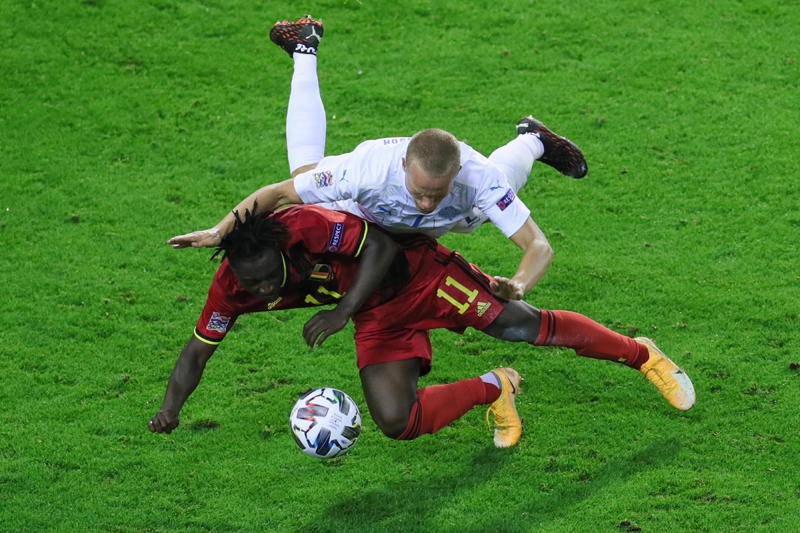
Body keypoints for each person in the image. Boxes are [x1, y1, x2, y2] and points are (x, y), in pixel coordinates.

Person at [149, 204, 696, 447]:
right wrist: (171, 410)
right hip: (376, 315)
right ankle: (495, 387)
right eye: (255, 286)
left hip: (420, 276)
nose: (265, 291)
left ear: (285, 250)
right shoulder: (233, 288)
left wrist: (340, 311)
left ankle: (641, 354)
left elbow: (381, 245)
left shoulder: (309, 226)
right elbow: (197, 351)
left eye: (271, 278)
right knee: (394, 421)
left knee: (522, 326)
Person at [167, 16, 589, 301]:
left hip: (454, 221)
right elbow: (278, 194)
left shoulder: (478, 181)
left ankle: (533, 139)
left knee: (488, 200)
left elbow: (538, 245)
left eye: (435, 194)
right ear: (404, 166)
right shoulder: (367, 168)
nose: (426, 202)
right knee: (305, 179)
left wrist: (517, 284)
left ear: (457, 172)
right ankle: (303, 48)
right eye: (420, 192)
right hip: (369, 213)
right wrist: (220, 230)